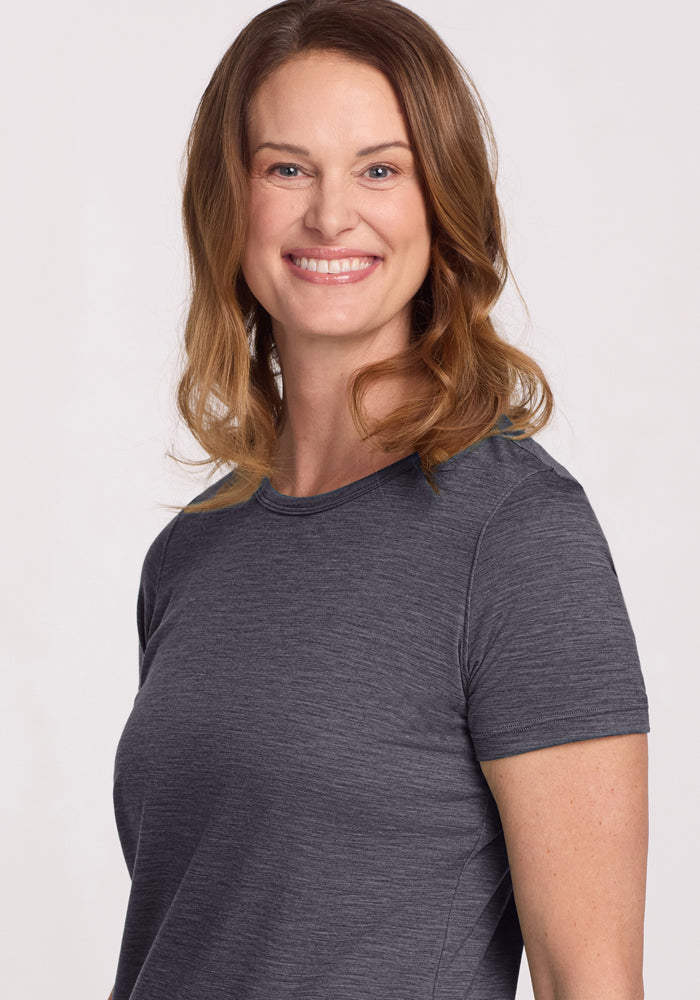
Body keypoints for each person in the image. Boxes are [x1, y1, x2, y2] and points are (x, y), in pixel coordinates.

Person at [109, 1, 649, 998]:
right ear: (229, 201)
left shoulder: (516, 535)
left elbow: (594, 979)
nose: (328, 214)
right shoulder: (191, 552)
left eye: (378, 168)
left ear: (440, 201)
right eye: (286, 167)